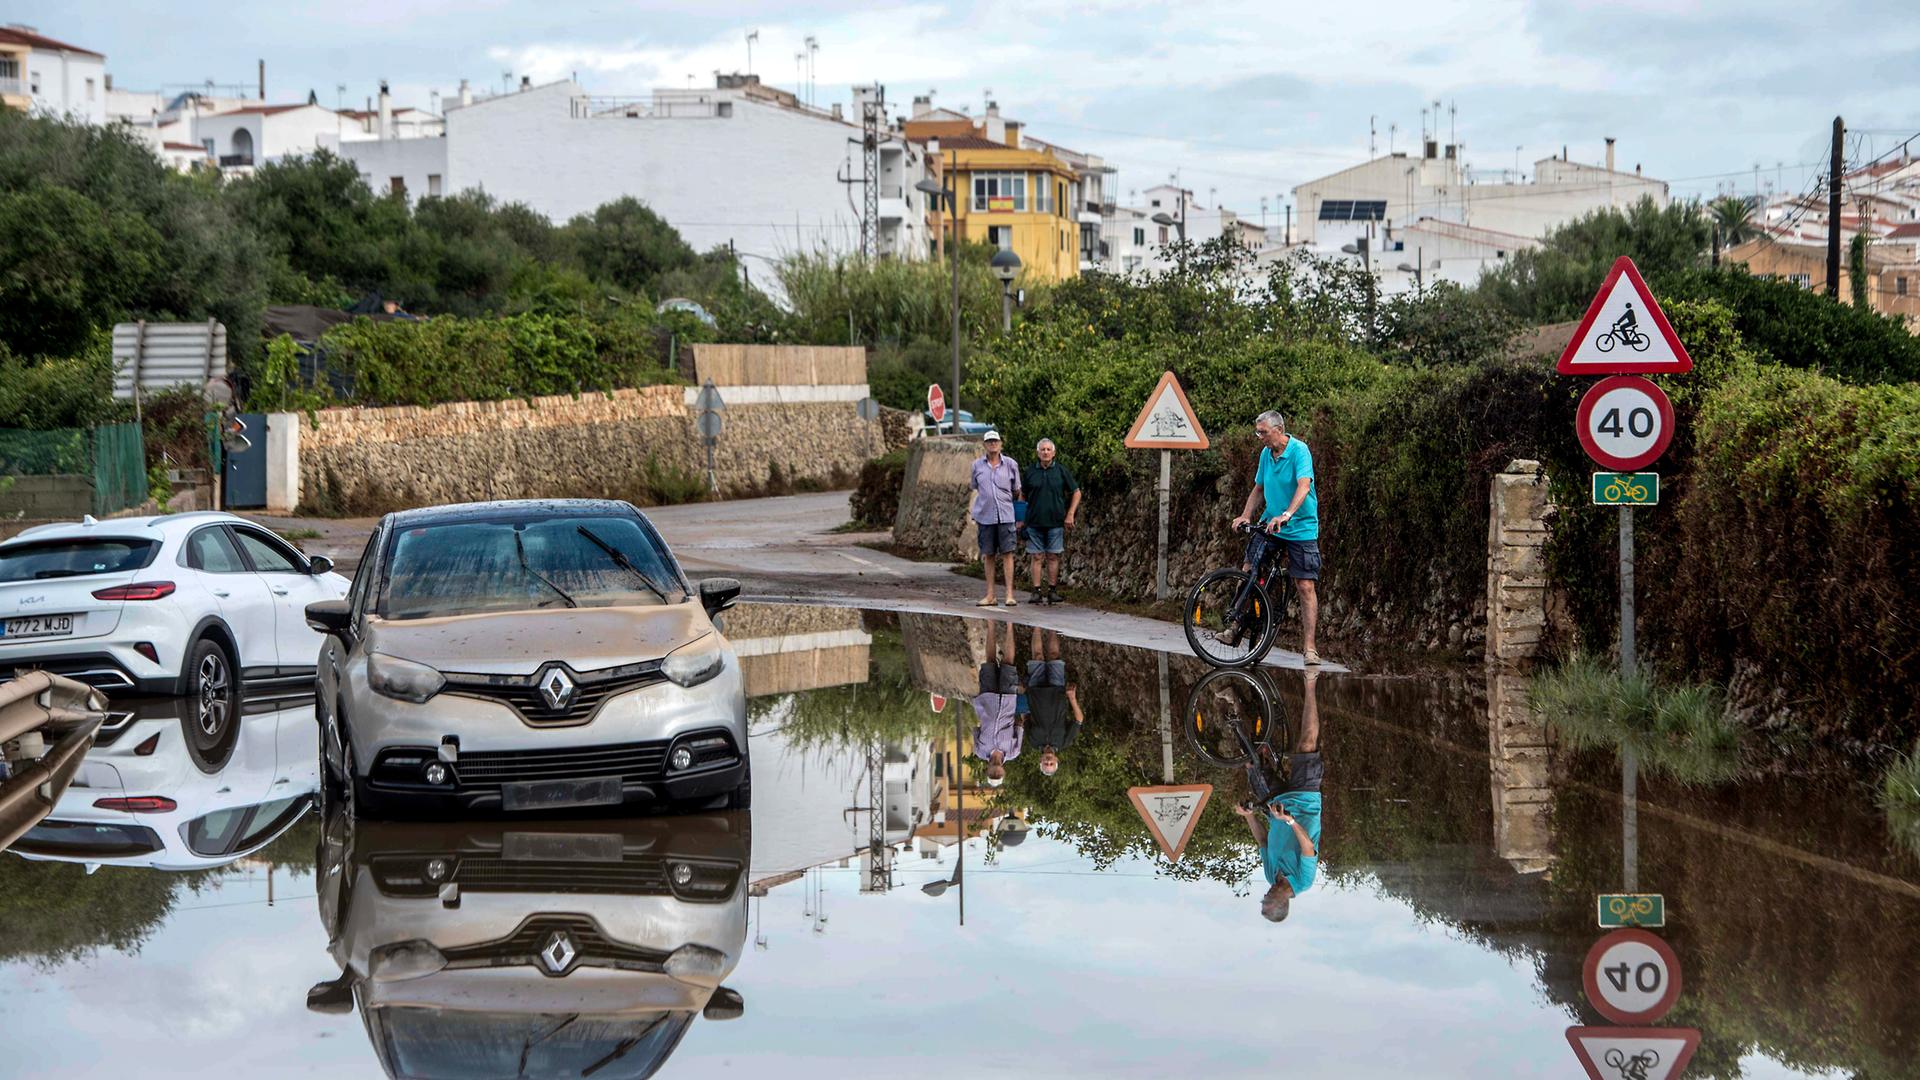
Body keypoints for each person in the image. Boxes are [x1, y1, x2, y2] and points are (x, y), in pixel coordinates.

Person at [1226, 410, 1322, 664]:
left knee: (1305, 586)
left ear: (1279, 430)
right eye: (1257, 432)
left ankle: (1310, 648)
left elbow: (1304, 486)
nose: (1260, 437)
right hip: (1271, 524)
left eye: (1263, 432)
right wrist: (1245, 515)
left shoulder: (1300, 451)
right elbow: (1259, 488)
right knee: (1248, 569)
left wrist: (1287, 514)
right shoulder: (1266, 454)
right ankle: (1235, 624)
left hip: (1300, 527)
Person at [1232, 668, 1322, 923]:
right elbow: (1308, 847)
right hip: (1304, 800)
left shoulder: (1271, 876)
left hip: (1275, 803)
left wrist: (1248, 816)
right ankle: (1311, 684)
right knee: (1307, 744)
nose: (1267, 893)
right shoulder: (1303, 881)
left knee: (1250, 761)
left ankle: (1239, 701)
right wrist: (1290, 820)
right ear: (1283, 903)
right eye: (1269, 899)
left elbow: (1263, 841)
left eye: (1264, 898)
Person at [1022, 438, 1082, 605]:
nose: (1046, 452)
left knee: (1053, 556)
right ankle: (1036, 591)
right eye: (1043, 450)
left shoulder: (1061, 471)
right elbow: (1022, 495)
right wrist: (1021, 518)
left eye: (1048, 449)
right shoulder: (1030, 472)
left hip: (1055, 522)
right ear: (1038, 453)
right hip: (1034, 522)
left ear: (1054, 453)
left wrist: (1070, 514)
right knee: (1036, 556)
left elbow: (1076, 492)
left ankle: (1052, 591)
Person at [968, 430, 1023, 607]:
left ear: (1001, 444)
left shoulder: (1011, 464)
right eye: (989, 441)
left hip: (1006, 515)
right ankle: (990, 595)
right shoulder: (977, 465)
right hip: (985, 516)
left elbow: (1017, 489)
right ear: (984, 445)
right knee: (988, 554)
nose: (992, 444)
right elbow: (975, 486)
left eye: (995, 441)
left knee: (1008, 553)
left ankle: (1009, 595)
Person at [971, 619, 1023, 787]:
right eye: (998, 775)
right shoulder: (1013, 752)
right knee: (1009, 662)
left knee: (990, 661)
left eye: (992, 774)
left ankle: (991, 624)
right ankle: (1010, 625)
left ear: (987, 771)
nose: (995, 771)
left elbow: (976, 729)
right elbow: (1019, 726)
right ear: (1003, 772)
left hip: (987, 701)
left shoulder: (980, 751)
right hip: (1007, 701)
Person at [1024, 626, 1081, 776]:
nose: (1048, 761)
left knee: (1037, 656)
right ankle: (1052, 628)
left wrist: (1024, 694)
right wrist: (1072, 698)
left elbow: (1025, 718)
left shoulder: (1033, 742)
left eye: (1046, 763)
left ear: (1040, 760)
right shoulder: (1064, 742)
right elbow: (1078, 720)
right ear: (1057, 760)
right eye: (1051, 763)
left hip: (1035, 691)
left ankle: (1036, 626)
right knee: (1054, 656)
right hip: (1058, 692)